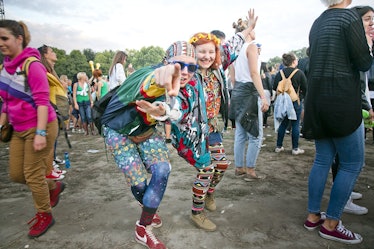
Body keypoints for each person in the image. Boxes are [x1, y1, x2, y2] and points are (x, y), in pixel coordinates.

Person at [302, 0, 372, 244]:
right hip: (341, 100)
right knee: (353, 163)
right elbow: (364, 62)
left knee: (322, 159)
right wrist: (369, 45)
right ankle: (331, 223)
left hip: (317, 100)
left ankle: (313, 216)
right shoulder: (349, 18)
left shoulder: (317, 21)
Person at [101, 47, 185, 248]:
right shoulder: (150, 75)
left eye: (190, 66)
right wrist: (163, 78)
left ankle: (143, 227)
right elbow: (152, 83)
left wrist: (165, 109)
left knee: (163, 169)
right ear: (167, 61)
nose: (184, 70)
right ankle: (148, 206)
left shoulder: (184, 83)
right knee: (139, 183)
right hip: (117, 130)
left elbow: (175, 107)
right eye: (179, 65)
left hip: (145, 129)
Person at [188, 8, 258, 229]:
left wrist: (248, 29)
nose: (207, 56)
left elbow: (233, 44)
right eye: (202, 52)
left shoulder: (218, 68)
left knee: (223, 165)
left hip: (213, 128)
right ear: (194, 52)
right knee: (206, 169)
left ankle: (209, 193)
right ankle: (196, 212)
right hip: (193, 132)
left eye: (211, 52)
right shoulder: (187, 73)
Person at [0, 20, 64, 238]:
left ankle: (45, 215)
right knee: (18, 174)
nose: (1, 43)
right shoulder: (4, 68)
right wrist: (2, 123)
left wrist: (40, 133)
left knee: (33, 173)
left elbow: (43, 102)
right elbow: (6, 102)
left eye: (4, 38)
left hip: (42, 125)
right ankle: (53, 187)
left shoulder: (32, 66)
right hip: (18, 129)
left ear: (19, 39)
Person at [230, 29, 269, 181]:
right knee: (255, 136)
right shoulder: (251, 47)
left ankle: (239, 168)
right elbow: (254, 73)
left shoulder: (235, 50)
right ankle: (250, 170)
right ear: (248, 32)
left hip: (238, 91)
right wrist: (262, 96)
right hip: (249, 92)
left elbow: (232, 78)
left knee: (240, 134)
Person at [38, 44, 67, 178]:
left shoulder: (50, 70)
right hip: (49, 107)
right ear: (45, 55)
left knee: (53, 138)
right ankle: (48, 169)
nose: (54, 53)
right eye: (52, 51)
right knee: (50, 139)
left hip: (54, 107)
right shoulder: (42, 70)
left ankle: (50, 166)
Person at [273, 52, 307, 155]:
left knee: (283, 124)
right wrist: (301, 97)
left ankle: (279, 146)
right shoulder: (299, 73)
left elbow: (275, 87)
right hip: (295, 101)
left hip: (282, 101)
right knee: (295, 124)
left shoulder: (280, 73)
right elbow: (305, 88)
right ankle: (295, 148)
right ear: (293, 61)